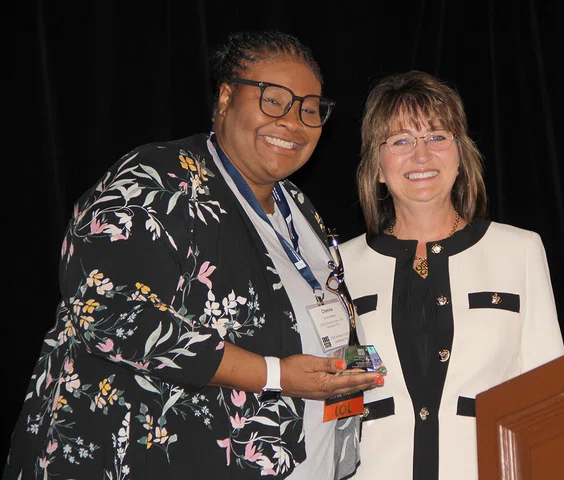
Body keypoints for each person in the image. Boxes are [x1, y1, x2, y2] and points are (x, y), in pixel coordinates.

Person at [3, 30, 382, 480]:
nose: (293, 121)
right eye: (274, 100)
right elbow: (110, 315)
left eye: (309, 108)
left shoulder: (298, 207)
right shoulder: (155, 181)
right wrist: (276, 375)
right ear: (225, 98)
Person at [338, 70, 564, 479]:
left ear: (461, 156)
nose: (421, 155)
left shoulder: (520, 250)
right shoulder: (339, 266)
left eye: (437, 137)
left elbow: (549, 397)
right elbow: (338, 403)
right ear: (376, 168)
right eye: (401, 141)